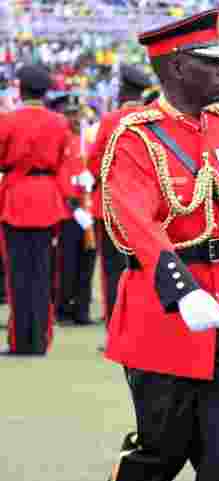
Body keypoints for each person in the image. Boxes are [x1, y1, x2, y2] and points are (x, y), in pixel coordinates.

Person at [78, 10, 219, 481]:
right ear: (178, 67)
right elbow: (133, 219)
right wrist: (181, 290)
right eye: (213, 64)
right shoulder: (134, 136)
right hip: (165, 312)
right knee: (161, 453)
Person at [0, 64, 73, 355]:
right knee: (44, 274)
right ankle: (40, 340)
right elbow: (63, 162)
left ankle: (21, 341)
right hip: (47, 199)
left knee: (17, 274)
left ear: (21, 89)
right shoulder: (59, 122)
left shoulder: (8, 120)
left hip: (16, 196)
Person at [87, 64, 154, 325]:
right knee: (145, 269)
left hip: (112, 207)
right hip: (147, 208)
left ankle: (117, 326)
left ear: (123, 89)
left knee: (113, 271)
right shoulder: (152, 117)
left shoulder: (111, 120)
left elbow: (95, 164)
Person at [55, 93, 99, 325]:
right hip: (68, 210)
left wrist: (90, 180)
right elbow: (58, 176)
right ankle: (63, 309)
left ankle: (82, 310)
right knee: (67, 263)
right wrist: (72, 203)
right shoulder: (60, 142)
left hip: (89, 210)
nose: (74, 119)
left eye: (77, 114)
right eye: (70, 114)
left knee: (87, 261)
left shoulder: (87, 143)